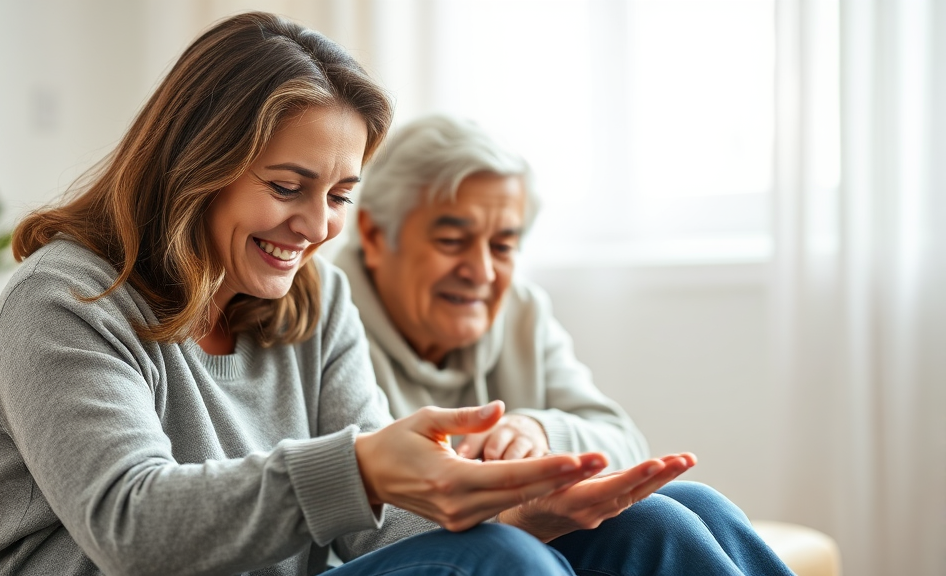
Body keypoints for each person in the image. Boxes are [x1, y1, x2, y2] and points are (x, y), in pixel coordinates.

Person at [0, 12, 698, 576]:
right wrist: (366, 467)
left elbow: (369, 533)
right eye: (287, 187)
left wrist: (523, 509)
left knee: (665, 522)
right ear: (194, 164)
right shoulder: (65, 300)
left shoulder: (315, 300)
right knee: (502, 563)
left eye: (339, 194)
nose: (315, 227)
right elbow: (130, 526)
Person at [334, 113, 796, 574]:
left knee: (697, 501)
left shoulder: (519, 310)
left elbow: (623, 439)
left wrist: (541, 432)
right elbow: (355, 526)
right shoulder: (328, 320)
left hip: (498, 532)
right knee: (655, 520)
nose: (483, 272)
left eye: (503, 246)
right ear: (375, 236)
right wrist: (510, 510)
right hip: (419, 554)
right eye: (453, 240)